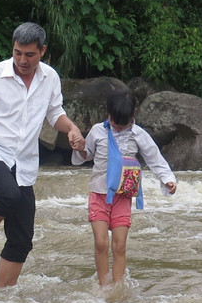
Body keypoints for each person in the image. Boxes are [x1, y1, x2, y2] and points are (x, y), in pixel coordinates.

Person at [0, 21, 85, 287]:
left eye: (29, 54)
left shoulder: (50, 77)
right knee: (7, 195)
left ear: (42, 51)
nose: (22, 60)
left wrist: (72, 129)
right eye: (17, 52)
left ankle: (2, 298)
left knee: (21, 239)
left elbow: (55, 113)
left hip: (24, 163)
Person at [72, 90, 177, 286]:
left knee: (119, 245)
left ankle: (118, 286)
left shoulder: (139, 135)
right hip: (99, 194)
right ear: (108, 113)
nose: (119, 127)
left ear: (134, 114)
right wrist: (80, 148)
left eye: (124, 123)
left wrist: (168, 179)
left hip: (122, 196)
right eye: (115, 122)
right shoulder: (98, 131)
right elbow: (87, 154)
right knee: (101, 242)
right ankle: (104, 285)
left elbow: (154, 158)